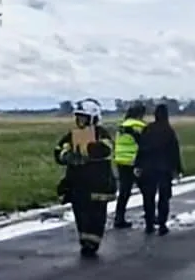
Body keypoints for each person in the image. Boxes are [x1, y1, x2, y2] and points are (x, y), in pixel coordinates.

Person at [53, 98, 116, 257]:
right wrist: (66, 156)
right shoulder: (71, 135)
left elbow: (106, 149)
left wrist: (85, 150)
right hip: (78, 184)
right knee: (80, 214)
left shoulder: (101, 134)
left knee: (96, 216)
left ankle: (93, 243)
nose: (80, 121)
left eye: (83, 117)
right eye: (78, 117)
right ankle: (85, 240)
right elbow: (58, 150)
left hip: (98, 184)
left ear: (93, 117)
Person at [135, 103, 183, 235]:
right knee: (164, 197)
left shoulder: (148, 129)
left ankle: (149, 224)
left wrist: (137, 165)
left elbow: (141, 149)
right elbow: (174, 151)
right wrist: (178, 169)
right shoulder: (169, 131)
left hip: (148, 168)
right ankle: (162, 224)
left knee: (148, 197)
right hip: (164, 169)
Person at [111, 102, 147, 228]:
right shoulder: (139, 126)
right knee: (146, 190)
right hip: (134, 161)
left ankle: (119, 218)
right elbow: (145, 143)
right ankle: (150, 216)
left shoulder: (122, 126)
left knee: (124, 191)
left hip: (121, 161)